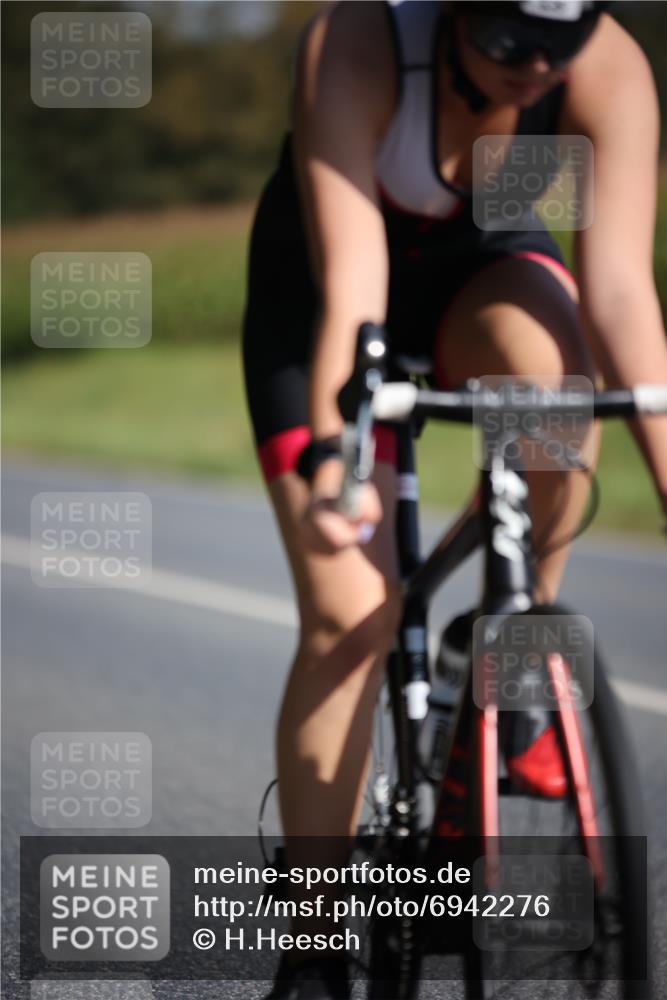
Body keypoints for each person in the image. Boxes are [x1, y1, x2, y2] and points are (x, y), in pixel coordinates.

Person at [241, 2, 667, 997]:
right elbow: (354, 284)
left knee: (558, 405)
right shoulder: (359, 42)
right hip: (330, 292)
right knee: (351, 617)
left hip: (487, 259)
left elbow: (619, 295)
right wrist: (339, 468)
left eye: (554, 47)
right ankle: (311, 949)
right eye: (509, 44)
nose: (534, 69)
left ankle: (506, 667)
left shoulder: (604, 66)